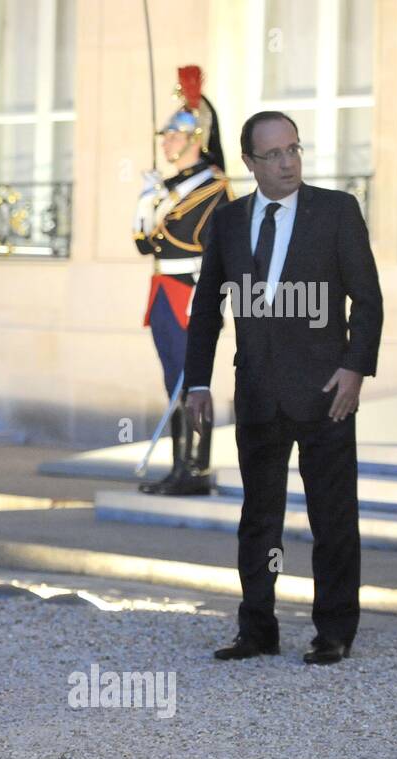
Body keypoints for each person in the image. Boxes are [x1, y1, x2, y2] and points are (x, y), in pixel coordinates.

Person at [184, 111, 383, 665]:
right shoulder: (227, 223)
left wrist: (354, 368)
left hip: (327, 396)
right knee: (260, 519)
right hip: (258, 395)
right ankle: (258, 628)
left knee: (333, 519)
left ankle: (335, 630)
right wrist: (196, 381)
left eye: (293, 149)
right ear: (249, 162)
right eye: (273, 154)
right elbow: (206, 310)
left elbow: (367, 300)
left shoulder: (337, 212)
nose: (288, 161)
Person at [133, 65, 233, 495]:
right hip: (162, 291)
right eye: (166, 136)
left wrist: (206, 298)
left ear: (196, 141)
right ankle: (180, 467)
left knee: (193, 382)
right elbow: (144, 244)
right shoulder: (171, 187)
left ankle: (196, 470)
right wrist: (147, 201)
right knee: (173, 379)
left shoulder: (211, 188)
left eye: (174, 135)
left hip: (189, 294)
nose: (166, 142)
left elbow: (194, 244)